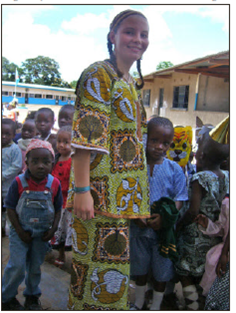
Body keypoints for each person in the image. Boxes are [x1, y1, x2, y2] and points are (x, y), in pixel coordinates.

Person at [66, 9, 150, 310]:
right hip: (96, 198)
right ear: (112, 36)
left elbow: (130, 143)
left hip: (118, 202)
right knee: (90, 275)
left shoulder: (129, 81)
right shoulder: (98, 74)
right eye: (129, 31)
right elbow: (86, 136)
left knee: (110, 275)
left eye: (143, 34)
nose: (137, 39)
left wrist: (136, 200)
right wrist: (82, 191)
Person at [130, 116, 188, 310]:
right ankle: (138, 302)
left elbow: (180, 198)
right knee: (139, 267)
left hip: (163, 231)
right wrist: (134, 214)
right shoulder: (134, 166)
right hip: (138, 228)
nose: (159, 147)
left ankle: (156, 305)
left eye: (165, 143)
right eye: (154, 140)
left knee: (162, 269)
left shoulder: (174, 169)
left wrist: (166, 218)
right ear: (145, 137)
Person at [1, 139, 63, 311]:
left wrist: (53, 230)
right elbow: (10, 208)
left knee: (35, 267)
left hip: (42, 234)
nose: (40, 166)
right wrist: (20, 231)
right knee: (17, 266)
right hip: (20, 233)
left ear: (53, 163)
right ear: (26, 162)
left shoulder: (54, 184)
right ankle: (6, 297)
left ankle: (32, 296)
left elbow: (58, 209)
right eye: (35, 162)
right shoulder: (19, 182)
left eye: (45, 162)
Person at [175, 131, 229, 310]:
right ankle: (199, 301)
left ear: (201, 155)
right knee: (203, 271)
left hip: (195, 233)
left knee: (184, 269)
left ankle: (192, 304)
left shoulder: (200, 178)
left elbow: (193, 211)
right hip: (215, 234)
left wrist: (179, 225)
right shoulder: (227, 177)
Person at [194, 193, 229, 296]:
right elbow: (223, 228)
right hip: (224, 252)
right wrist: (208, 224)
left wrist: (224, 253)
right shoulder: (227, 202)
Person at [50, 126, 73, 267]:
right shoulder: (54, 159)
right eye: (59, 141)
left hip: (69, 204)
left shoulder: (74, 160)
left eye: (66, 142)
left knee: (67, 230)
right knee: (57, 229)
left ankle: (68, 255)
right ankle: (60, 254)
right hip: (56, 202)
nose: (61, 145)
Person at [2, 118, 22, 237]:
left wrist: (3, 175)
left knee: (10, 208)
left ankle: (12, 231)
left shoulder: (14, 149)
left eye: (7, 134)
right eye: (1, 133)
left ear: (14, 135)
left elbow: (16, 166)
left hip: (8, 187)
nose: (3, 136)